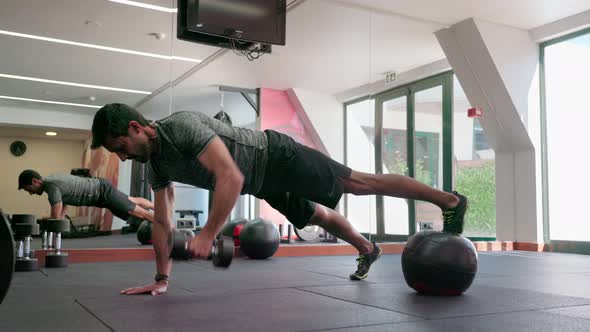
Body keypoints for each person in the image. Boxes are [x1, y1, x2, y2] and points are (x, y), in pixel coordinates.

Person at [90, 103, 468, 296]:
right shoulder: (155, 164)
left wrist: (207, 235)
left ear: (136, 128)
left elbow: (229, 176)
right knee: (316, 217)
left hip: (277, 156)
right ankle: (368, 248)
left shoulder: (181, 127)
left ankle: (448, 201)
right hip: (263, 182)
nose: (123, 157)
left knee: (359, 183)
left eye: (121, 147)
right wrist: (160, 279)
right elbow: (162, 221)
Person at [18, 169, 154, 223]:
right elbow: (62, 204)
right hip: (101, 188)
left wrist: (52, 219)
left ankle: (162, 224)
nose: (30, 193)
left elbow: (56, 215)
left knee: (133, 209)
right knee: (131, 200)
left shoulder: (51, 187)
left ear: (35, 181)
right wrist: (58, 217)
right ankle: (156, 206)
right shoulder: (51, 181)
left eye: (28, 189)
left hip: (102, 192)